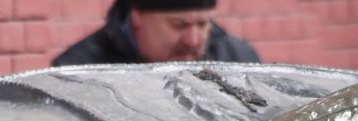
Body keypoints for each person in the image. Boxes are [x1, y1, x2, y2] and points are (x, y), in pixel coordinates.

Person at [54, 0, 259, 65]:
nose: (193, 40)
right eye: (179, 25)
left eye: (204, 24)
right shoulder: (80, 71)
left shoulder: (239, 60)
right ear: (137, 16)